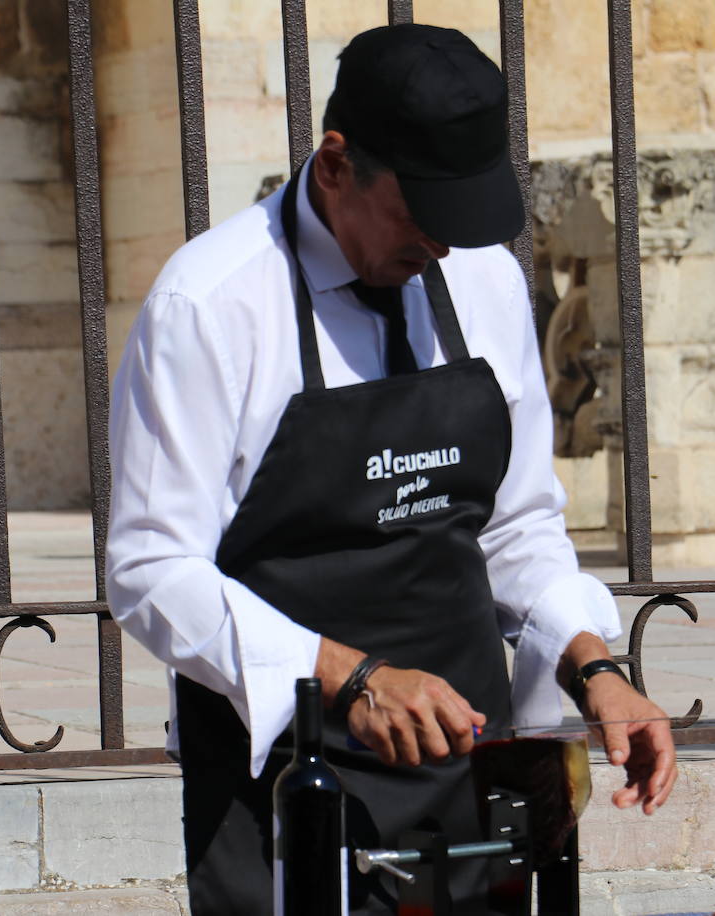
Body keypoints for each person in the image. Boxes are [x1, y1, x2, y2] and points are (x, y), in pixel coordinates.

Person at [106, 23, 677, 914]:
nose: (443, 250)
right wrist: (351, 678)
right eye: (423, 217)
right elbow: (149, 571)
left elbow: (517, 522)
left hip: (469, 772)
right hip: (288, 782)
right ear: (336, 165)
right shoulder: (211, 305)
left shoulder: (479, 278)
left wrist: (593, 664)